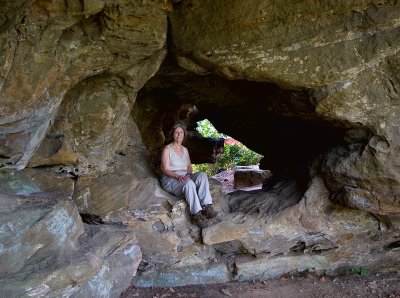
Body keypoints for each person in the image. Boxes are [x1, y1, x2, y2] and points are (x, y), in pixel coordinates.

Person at [160, 123, 217, 228]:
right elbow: (165, 169)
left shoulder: (185, 150)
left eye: (181, 132)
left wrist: (189, 175)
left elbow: (189, 167)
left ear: (184, 135)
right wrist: (177, 176)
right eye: (176, 132)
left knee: (202, 175)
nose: (179, 134)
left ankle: (206, 206)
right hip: (170, 179)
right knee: (189, 184)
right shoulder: (167, 149)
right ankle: (196, 215)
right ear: (172, 134)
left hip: (184, 176)